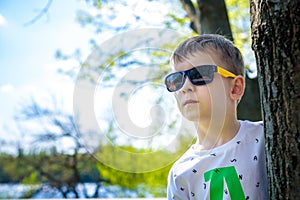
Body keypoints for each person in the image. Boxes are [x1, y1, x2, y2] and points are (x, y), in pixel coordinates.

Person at [165, 34, 268, 200]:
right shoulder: (181, 173)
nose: (185, 87)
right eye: (176, 79)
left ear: (235, 88)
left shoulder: (266, 137)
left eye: (199, 75)